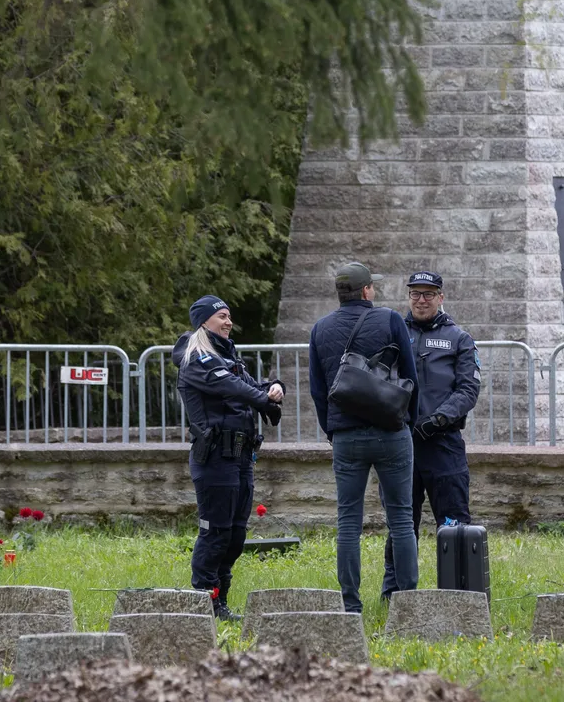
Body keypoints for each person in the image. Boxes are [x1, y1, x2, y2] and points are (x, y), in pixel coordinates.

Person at [308, 262, 420, 613]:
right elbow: (412, 377)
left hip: (346, 435)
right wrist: (407, 422)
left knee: (348, 521)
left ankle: (350, 606)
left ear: (339, 292)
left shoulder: (320, 329)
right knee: (401, 518)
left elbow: (317, 389)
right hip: (391, 430)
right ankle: (406, 603)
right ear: (367, 290)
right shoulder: (390, 320)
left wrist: (332, 429)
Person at [172, 294, 284, 621]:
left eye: (229, 316)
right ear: (203, 321)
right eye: (221, 316)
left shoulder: (228, 356)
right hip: (215, 459)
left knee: (236, 535)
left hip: (241, 457)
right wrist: (264, 399)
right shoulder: (196, 358)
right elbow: (234, 389)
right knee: (215, 532)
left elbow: (250, 385)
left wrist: (275, 388)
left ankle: (220, 603)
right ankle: (204, 603)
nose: (228, 321)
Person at [381, 271, 481, 599]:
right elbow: (377, 380)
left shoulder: (459, 338)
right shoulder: (393, 334)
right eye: (415, 294)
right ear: (408, 297)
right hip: (401, 443)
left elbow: (468, 389)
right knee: (400, 523)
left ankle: (462, 595)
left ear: (441, 297)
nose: (421, 300)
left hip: (443, 444)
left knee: (454, 522)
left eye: (428, 294)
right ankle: (395, 595)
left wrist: (438, 419)